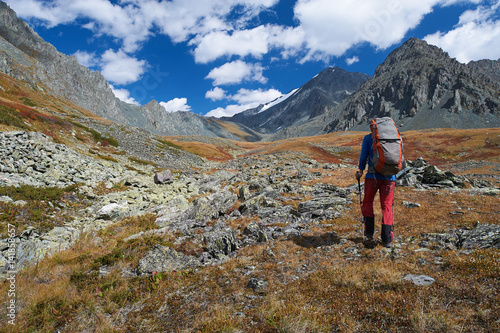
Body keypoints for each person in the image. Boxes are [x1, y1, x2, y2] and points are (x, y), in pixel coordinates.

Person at [355, 132, 396, 248]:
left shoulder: (369, 138)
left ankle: (369, 233)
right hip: (390, 178)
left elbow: (363, 157)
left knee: (367, 202)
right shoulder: (394, 136)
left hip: (372, 177)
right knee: (387, 205)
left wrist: (361, 171)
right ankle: (387, 239)